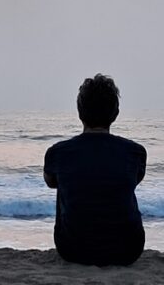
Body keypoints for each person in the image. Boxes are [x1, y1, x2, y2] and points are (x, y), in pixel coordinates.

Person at [43, 74, 146, 266]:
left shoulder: (58, 152)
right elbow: (135, 179)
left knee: (66, 185)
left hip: (72, 249)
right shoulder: (136, 152)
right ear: (115, 113)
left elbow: (51, 183)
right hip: (128, 249)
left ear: (80, 112)